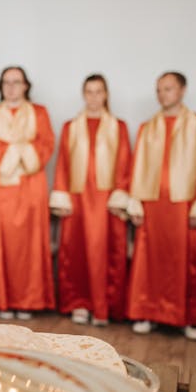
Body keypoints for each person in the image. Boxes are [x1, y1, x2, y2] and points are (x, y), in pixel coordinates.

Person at [126, 71, 196, 340]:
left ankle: (189, 318)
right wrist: (135, 205)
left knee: (188, 260)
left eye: (168, 89)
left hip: (185, 206)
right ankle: (148, 312)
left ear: (182, 90)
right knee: (151, 260)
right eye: (159, 89)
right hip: (153, 206)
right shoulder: (148, 128)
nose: (162, 94)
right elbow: (137, 167)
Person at [49, 74, 132, 326]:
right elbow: (62, 163)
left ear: (106, 94)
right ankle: (79, 302)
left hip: (106, 200)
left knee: (107, 252)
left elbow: (124, 162)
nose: (94, 96)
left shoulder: (119, 127)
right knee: (76, 252)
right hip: (77, 199)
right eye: (89, 91)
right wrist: (62, 197)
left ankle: (104, 305)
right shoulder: (70, 127)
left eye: (99, 91)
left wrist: (120, 195)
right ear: (83, 94)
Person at [0, 67, 55, 319]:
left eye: (16, 82)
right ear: (1, 86)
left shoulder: (39, 112)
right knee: (2, 241)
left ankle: (29, 300)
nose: (11, 87)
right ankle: (3, 299)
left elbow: (46, 143)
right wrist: (21, 148)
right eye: (6, 82)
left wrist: (15, 149)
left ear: (26, 85)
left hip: (32, 186)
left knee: (31, 243)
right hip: (1, 189)